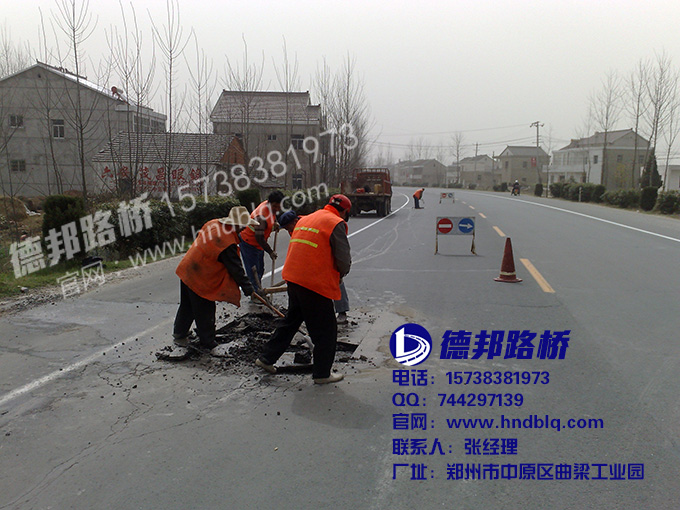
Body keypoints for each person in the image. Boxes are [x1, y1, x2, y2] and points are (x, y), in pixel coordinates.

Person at [256, 195, 352, 384]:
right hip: (313, 282)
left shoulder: (307, 218)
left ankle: (266, 358)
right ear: (345, 212)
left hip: (293, 277)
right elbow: (343, 258)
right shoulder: (335, 222)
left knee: (291, 321)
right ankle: (322, 374)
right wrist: (342, 273)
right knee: (326, 330)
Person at [173, 206, 259, 354]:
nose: (244, 229)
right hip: (200, 276)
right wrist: (249, 289)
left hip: (188, 268)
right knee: (205, 308)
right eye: (243, 226)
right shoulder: (226, 241)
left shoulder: (214, 224)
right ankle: (208, 342)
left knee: (188, 305)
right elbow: (236, 269)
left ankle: (179, 333)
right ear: (235, 224)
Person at [279, 210, 350, 325]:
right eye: (286, 229)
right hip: (307, 261)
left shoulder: (306, 224)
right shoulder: (296, 227)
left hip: (322, 256)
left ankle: (342, 311)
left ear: (295, 221)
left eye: (288, 227)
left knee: (336, 281)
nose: (289, 231)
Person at [239, 191, 284, 294]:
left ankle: (258, 291)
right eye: (275, 206)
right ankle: (255, 295)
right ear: (269, 203)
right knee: (253, 272)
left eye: (279, 207)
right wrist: (270, 252)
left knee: (260, 269)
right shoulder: (261, 216)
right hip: (249, 243)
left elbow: (272, 216)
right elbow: (259, 238)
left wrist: (275, 223)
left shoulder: (270, 207)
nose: (277, 209)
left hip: (258, 245)